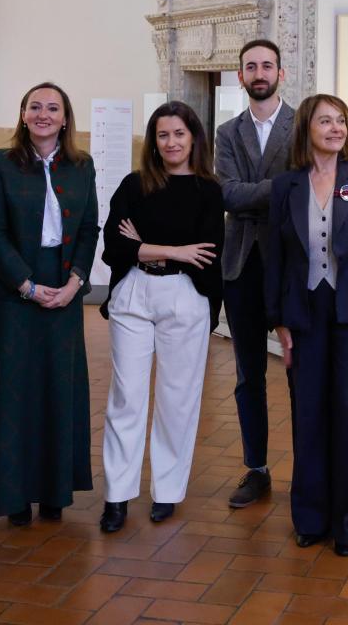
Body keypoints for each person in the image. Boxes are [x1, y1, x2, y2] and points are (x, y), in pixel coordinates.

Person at [0, 83, 100, 525]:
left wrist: (76, 282)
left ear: (65, 118)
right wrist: (26, 285)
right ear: (22, 115)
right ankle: (14, 495)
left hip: (64, 289)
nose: (43, 114)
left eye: (52, 108)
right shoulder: (1, 163)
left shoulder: (82, 165)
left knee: (59, 390)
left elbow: (90, 228)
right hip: (13, 292)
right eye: (34, 107)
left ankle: (55, 491)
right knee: (14, 394)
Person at [264, 94, 348, 556]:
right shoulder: (286, 185)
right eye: (325, 121)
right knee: (308, 415)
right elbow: (276, 259)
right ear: (307, 128)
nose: (336, 128)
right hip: (304, 313)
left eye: (341, 120)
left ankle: (347, 526)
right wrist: (279, 322)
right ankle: (310, 519)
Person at [99, 101, 225, 533]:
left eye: (179, 134)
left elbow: (206, 255)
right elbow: (114, 246)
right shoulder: (134, 185)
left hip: (185, 296)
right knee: (126, 397)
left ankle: (167, 491)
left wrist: (144, 244)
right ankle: (117, 495)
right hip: (134, 292)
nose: (171, 142)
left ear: (193, 139)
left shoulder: (209, 190)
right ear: (154, 142)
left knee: (178, 398)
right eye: (163, 135)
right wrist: (174, 250)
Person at [214, 40, 296, 509]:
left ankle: (308, 471)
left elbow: (305, 188)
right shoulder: (227, 133)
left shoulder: (302, 124)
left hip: (291, 266)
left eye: (267, 65)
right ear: (240, 75)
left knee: (299, 373)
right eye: (251, 66)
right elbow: (227, 195)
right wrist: (282, 189)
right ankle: (257, 469)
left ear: (280, 73)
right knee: (249, 375)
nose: (259, 72)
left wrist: (258, 192)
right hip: (241, 265)